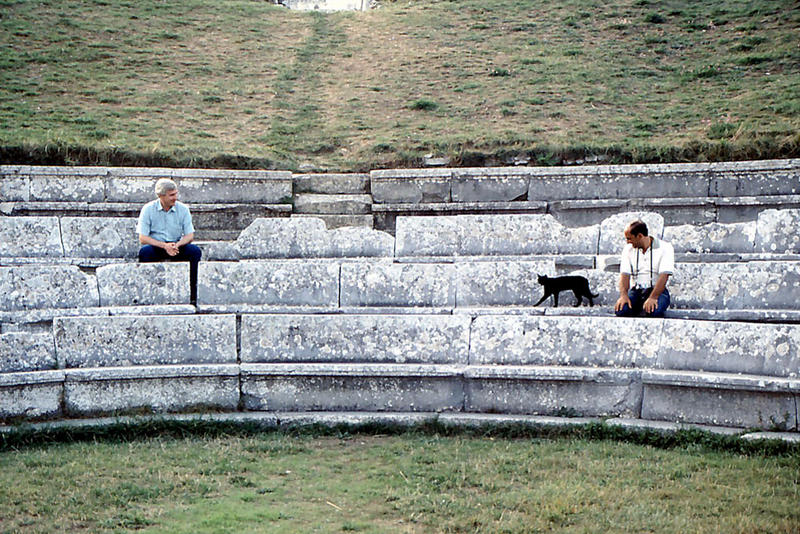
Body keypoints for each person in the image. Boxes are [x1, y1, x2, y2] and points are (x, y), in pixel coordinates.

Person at [138, 178, 202, 304]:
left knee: (195, 252)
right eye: (172, 195)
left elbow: (190, 236)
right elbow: (143, 238)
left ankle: (193, 294)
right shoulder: (148, 209)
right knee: (144, 252)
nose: (175, 197)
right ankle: (148, 293)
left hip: (177, 246)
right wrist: (164, 246)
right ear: (161, 196)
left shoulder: (183, 209)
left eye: (176, 194)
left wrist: (176, 245)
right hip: (158, 246)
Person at [614, 220, 673, 318]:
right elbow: (624, 275)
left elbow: (664, 276)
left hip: (657, 290)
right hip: (637, 290)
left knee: (654, 312)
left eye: (629, 239)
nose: (628, 242)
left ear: (640, 236)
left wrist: (653, 297)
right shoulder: (628, 249)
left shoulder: (665, 247)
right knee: (621, 310)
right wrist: (623, 295)